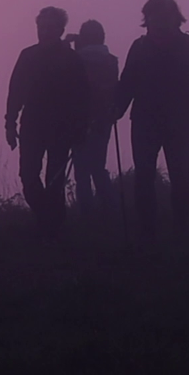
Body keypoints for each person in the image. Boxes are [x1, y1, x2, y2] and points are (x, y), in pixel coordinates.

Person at [115, 0, 189, 241]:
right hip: (146, 121)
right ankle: (148, 230)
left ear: (175, 18)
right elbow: (127, 85)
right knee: (144, 177)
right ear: (147, 19)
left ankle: (178, 228)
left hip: (178, 122)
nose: (159, 21)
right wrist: (112, 112)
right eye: (154, 16)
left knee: (179, 176)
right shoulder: (140, 47)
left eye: (163, 16)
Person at [6, 7, 90, 239]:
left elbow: (82, 96)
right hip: (32, 125)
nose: (44, 32)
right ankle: (50, 221)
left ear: (60, 30)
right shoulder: (28, 55)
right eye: (41, 27)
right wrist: (10, 123)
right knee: (28, 177)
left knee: (55, 181)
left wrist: (81, 127)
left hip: (62, 127)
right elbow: (15, 91)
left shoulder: (72, 59)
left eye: (49, 27)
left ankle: (52, 229)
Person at [66, 20, 118, 223]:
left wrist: (66, 44)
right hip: (103, 120)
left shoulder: (76, 61)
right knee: (98, 166)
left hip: (80, 119)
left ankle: (87, 216)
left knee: (82, 170)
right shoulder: (111, 61)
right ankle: (110, 210)